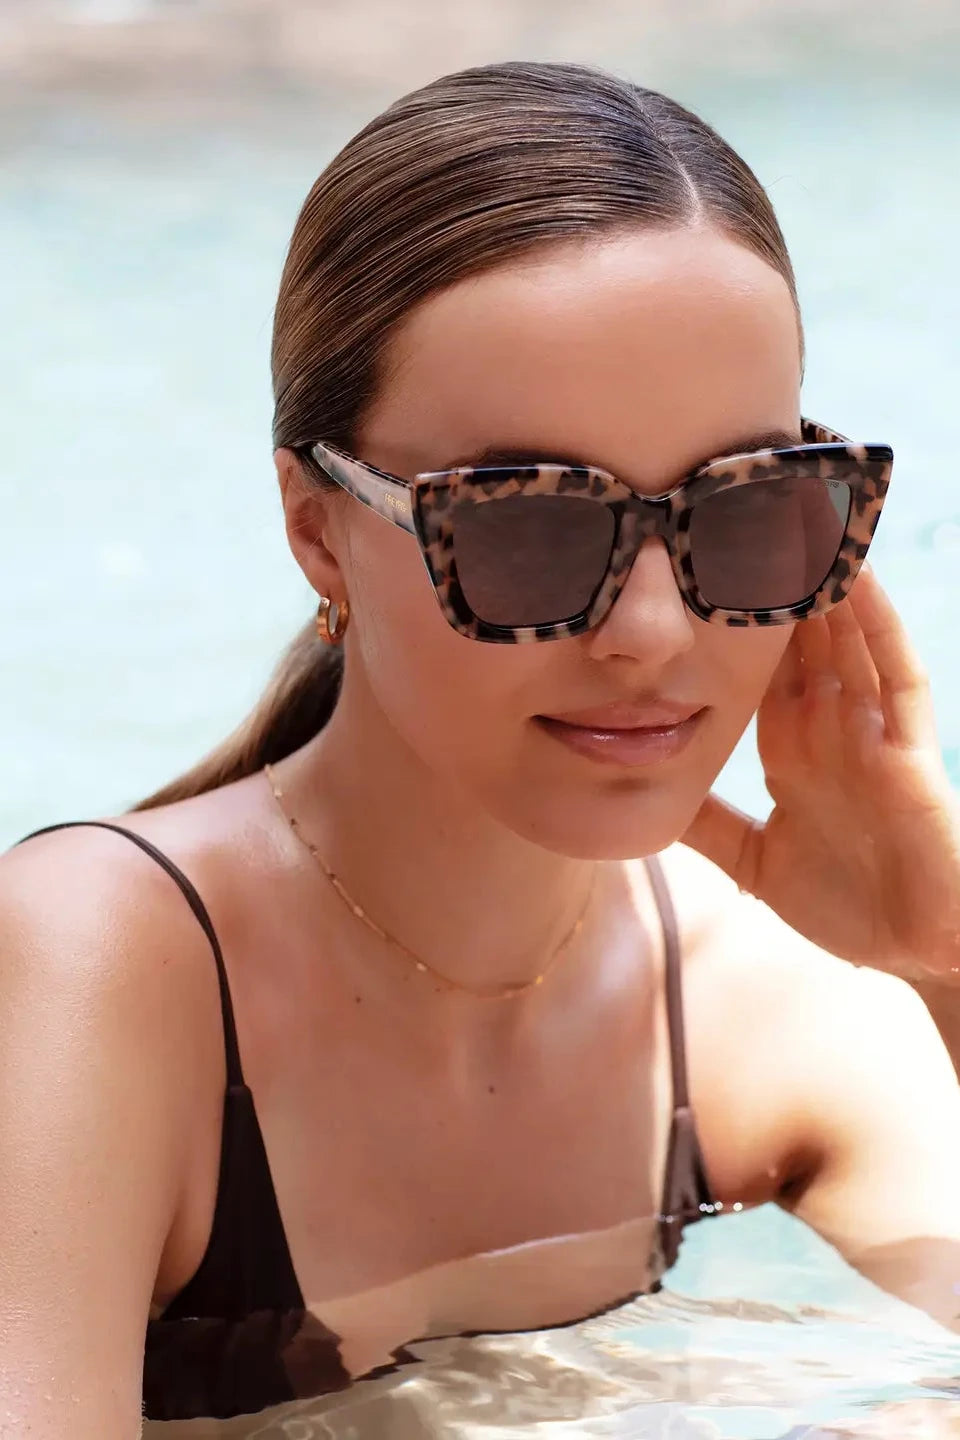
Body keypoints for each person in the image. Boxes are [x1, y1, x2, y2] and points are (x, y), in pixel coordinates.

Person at [2, 59, 960, 1439]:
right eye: (523, 523)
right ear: (317, 527)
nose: (651, 629)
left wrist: (943, 967)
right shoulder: (100, 969)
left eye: (742, 510)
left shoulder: (769, 1000)